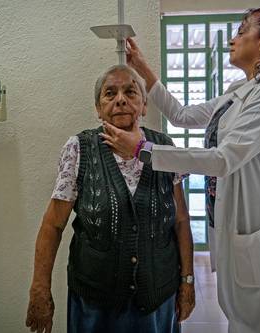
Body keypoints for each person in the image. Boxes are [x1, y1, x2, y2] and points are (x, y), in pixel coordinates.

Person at [100, 7, 260, 333]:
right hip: (237, 222)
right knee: (241, 318)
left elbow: (223, 159)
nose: (233, 39)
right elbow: (182, 115)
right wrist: (140, 66)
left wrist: (143, 150)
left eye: (242, 31)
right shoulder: (238, 93)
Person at [25, 64, 195, 333]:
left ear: (144, 105)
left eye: (130, 92)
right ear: (98, 108)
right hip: (95, 304)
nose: (120, 100)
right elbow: (53, 225)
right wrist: (40, 288)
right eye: (110, 93)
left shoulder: (164, 148)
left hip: (157, 297)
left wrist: (187, 280)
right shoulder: (79, 148)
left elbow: (181, 221)